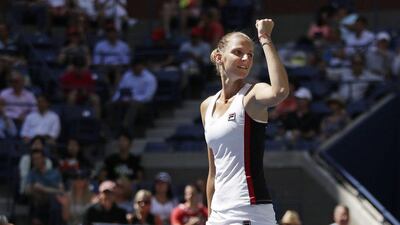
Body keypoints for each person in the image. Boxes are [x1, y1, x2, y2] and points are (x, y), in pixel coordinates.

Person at [200, 18, 289, 225]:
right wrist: (211, 215)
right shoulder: (206, 106)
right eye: (238, 52)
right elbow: (213, 173)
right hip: (218, 216)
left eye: (250, 55)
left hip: (250, 212)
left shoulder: (253, 95)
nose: (246, 59)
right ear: (218, 57)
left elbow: (280, 91)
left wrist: (265, 38)